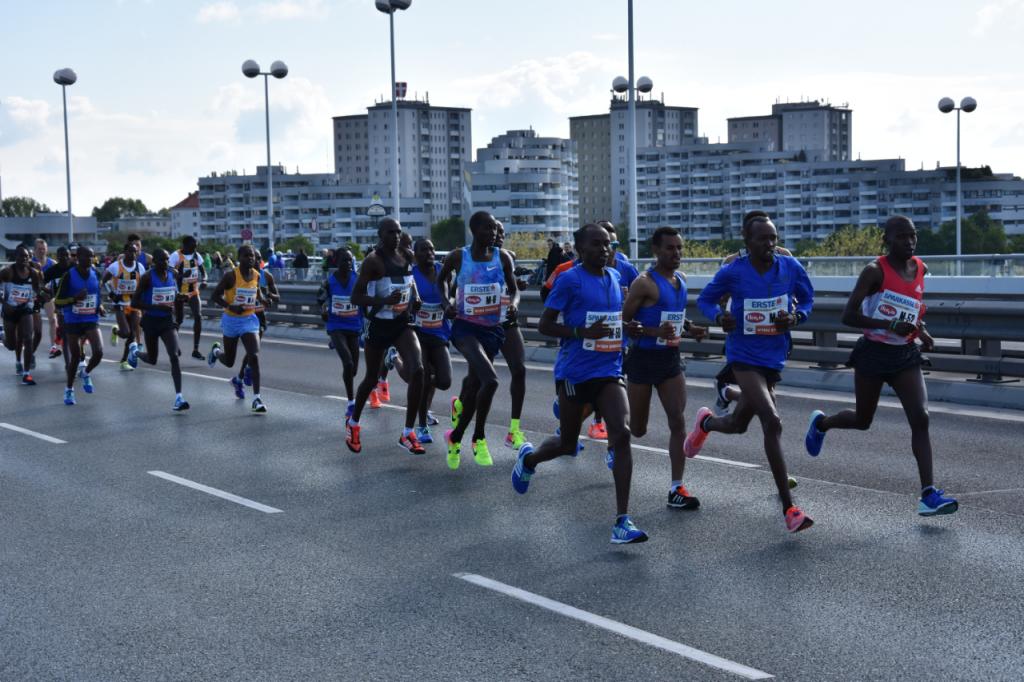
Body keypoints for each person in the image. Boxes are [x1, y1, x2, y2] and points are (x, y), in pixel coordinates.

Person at [804, 216, 956, 517]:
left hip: (904, 355)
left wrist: (920, 331)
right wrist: (888, 324)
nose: (910, 242)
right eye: (902, 237)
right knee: (863, 420)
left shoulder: (920, 268)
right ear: (887, 240)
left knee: (921, 417)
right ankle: (821, 424)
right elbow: (848, 316)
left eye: (913, 236)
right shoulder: (874, 272)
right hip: (873, 353)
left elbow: (910, 308)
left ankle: (928, 494)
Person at [511, 223, 648, 544]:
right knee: (567, 444)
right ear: (580, 250)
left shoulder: (616, 278)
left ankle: (622, 521)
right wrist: (579, 333)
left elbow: (614, 323)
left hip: (610, 371)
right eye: (596, 245)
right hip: (575, 373)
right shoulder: (569, 279)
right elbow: (544, 324)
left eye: (608, 245)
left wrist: (630, 328)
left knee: (622, 434)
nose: (604, 250)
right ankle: (529, 459)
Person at [686, 211, 815, 533]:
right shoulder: (734, 272)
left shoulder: (790, 267)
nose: (770, 243)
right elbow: (705, 300)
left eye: (773, 237)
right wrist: (718, 318)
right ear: (748, 242)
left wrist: (796, 317)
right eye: (763, 238)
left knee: (738, 424)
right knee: (772, 421)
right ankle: (790, 508)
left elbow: (808, 300)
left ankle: (707, 421)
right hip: (743, 355)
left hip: (773, 357)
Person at [622, 226, 707, 510]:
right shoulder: (643, 283)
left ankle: (675, 488)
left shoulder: (680, 280)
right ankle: (611, 421)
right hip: (643, 360)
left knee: (677, 421)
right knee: (638, 429)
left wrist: (692, 329)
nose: (677, 253)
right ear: (656, 250)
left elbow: (675, 320)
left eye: (680, 248)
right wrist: (652, 331)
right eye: (670, 248)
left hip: (670, 360)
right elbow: (623, 324)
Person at [438, 211, 519, 469]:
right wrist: (446, 303)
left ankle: (455, 437)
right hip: (465, 328)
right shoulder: (458, 256)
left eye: (495, 229)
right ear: (475, 230)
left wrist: (514, 304)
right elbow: (442, 281)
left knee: (474, 389)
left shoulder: (502, 257)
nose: (493, 233)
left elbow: (514, 288)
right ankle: (479, 438)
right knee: (491, 380)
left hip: (492, 329)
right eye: (488, 228)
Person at [346, 218, 425, 455]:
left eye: (399, 232)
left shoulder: (407, 256)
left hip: (401, 323)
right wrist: (383, 301)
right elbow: (356, 298)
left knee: (419, 370)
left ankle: (408, 432)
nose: (396, 236)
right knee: (371, 378)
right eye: (391, 232)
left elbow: (410, 282)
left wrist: (416, 296)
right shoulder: (374, 262)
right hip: (378, 324)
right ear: (381, 235)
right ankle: (353, 424)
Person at [206, 244, 267, 413]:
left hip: (249, 319)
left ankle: (257, 399)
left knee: (253, 355)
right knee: (229, 361)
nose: (251, 259)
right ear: (239, 258)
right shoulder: (230, 276)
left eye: (253, 256)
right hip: (231, 320)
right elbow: (214, 296)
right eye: (247, 256)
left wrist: (263, 300)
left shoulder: (256, 274)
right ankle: (217, 353)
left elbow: (258, 293)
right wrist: (231, 307)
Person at [128, 249, 190, 411]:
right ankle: (135, 352)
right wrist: (154, 306)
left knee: (174, 356)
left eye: (167, 259)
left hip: (167, 322)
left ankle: (179, 397)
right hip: (150, 322)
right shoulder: (148, 277)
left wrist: (180, 299)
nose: (166, 263)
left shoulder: (172, 274)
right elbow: (134, 303)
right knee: (152, 359)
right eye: (162, 260)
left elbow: (173, 295)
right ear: (154, 261)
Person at [404, 238, 452, 444]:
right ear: (416, 254)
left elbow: (449, 294)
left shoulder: (443, 270)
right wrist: (410, 308)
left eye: (432, 249)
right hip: (417, 332)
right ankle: (421, 425)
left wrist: (448, 305)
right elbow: (403, 302)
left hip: (439, 332)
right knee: (422, 377)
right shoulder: (410, 274)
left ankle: (397, 363)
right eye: (424, 250)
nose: (430, 253)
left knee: (444, 381)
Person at [53, 245, 105, 405]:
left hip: (90, 318)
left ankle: (86, 372)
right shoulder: (68, 276)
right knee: (75, 357)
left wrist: (100, 306)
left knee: (99, 352)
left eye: (92, 256)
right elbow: (57, 301)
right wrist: (74, 299)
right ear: (78, 257)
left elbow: (97, 294)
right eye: (86, 256)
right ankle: (69, 390)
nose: (89, 259)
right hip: (73, 319)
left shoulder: (96, 273)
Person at [317, 247, 363, 420]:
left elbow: (365, 298)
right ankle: (351, 402)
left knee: (354, 370)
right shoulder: (329, 282)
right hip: (336, 325)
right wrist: (323, 310)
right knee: (348, 363)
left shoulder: (358, 279)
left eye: (351, 260)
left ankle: (349, 386)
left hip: (354, 326)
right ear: (337, 262)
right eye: (345, 260)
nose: (348, 263)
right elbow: (320, 299)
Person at [1, 245, 43, 385]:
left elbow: (36, 288)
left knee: (28, 338)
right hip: (10, 310)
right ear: (15, 257)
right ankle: (2, 337)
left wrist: (44, 294)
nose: (24, 259)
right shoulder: (7, 272)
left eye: (26, 256)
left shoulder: (33, 273)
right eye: (21, 256)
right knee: (11, 345)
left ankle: (26, 374)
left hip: (25, 308)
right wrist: (4, 303)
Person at [102, 241, 145, 370]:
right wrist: (111, 294)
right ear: (125, 252)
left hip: (134, 305)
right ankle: (116, 331)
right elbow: (103, 281)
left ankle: (124, 361)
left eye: (135, 251)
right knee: (126, 333)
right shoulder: (115, 267)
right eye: (131, 251)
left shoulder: (140, 267)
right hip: (120, 303)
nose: (133, 254)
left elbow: (143, 285)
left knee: (132, 334)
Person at [169, 235, 207, 360]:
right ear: (185, 245)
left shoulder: (197, 255)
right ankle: (174, 344)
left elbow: (203, 270)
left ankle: (196, 349)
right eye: (192, 246)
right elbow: (169, 273)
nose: (195, 248)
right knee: (179, 320)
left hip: (193, 291)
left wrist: (205, 279)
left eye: (196, 246)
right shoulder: (176, 255)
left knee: (198, 316)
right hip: (179, 291)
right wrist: (181, 275)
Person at [32, 238, 61, 359]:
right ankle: (30, 352)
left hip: (48, 296)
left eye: (44, 249)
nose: (42, 251)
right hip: (33, 297)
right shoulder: (30, 262)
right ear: (34, 250)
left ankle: (53, 347)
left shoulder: (52, 263)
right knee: (33, 328)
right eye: (39, 249)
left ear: (47, 249)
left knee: (53, 320)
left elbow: (59, 280)